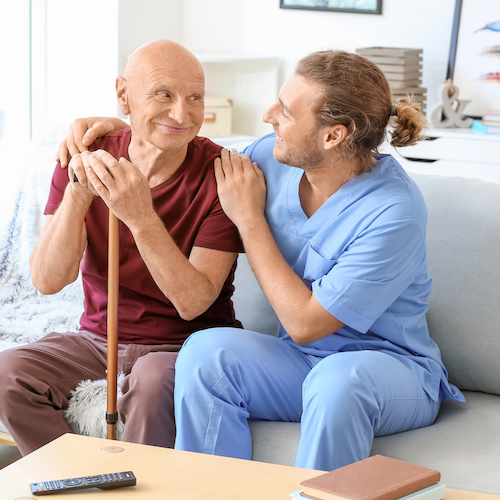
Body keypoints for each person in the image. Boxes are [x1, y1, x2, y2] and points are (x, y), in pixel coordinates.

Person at [57, 50, 465, 472]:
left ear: (333, 136)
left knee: (339, 381)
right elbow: (190, 153)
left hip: (390, 370)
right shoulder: (274, 157)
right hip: (298, 364)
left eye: (286, 112)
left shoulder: (394, 212)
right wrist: (121, 127)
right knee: (205, 351)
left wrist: (250, 220)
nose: (269, 115)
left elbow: (306, 325)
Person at [0, 39, 243, 456]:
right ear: (123, 95)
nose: (182, 114)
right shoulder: (87, 156)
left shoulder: (222, 175)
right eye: (163, 94)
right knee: (9, 373)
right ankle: (72, 479)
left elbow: (194, 302)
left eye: (195, 97)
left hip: (185, 344)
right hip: (97, 340)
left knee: (150, 381)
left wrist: (139, 215)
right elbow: (46, 280)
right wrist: (78, 194)